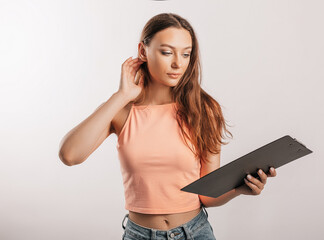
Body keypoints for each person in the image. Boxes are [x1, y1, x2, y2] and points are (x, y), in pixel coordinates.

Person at [58, 13, 277, 240]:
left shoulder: (204, 110)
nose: (177, 63)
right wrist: (121, 95)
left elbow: (207, 196)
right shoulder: (122, 111)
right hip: (139, 235)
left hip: (196, 232)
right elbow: (70, 155)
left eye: (185, 54)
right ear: (143, 51)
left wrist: (240, 189)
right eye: (166, 52)